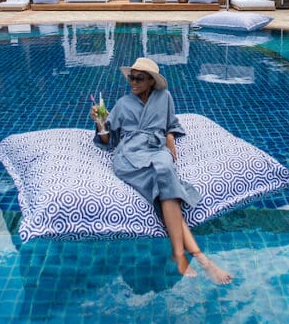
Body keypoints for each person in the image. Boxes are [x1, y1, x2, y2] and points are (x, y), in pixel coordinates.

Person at [91, 57, 233, 284]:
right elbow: (109, 140)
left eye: (139, 78)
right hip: (129, 155)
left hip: (157, 149)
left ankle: (186, 255)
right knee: (165, 187)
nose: (133, 82)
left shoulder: (164, 98)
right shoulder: (122, 104)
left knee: (165, 173)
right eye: (131, 77)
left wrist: (169, 138)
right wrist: (100, 123)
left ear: (151, 81)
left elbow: (171, 124)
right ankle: (194, 257)